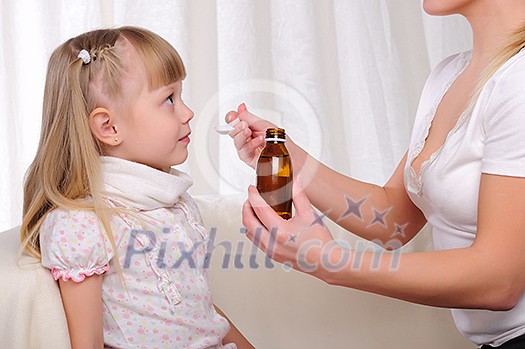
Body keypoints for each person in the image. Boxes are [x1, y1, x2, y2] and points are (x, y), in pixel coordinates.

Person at [225, 1, 525, 348]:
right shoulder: (449, 75)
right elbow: (392, 218)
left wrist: (330, 262)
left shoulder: (519, 82)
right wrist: (287, 155)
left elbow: (498, 282)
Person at [20, 26, 254, 349]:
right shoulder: (83, 224)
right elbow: (86, 343)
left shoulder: (177, 205)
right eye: (169, 99)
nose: (188, 112)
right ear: (109, 127)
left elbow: (201, 317)